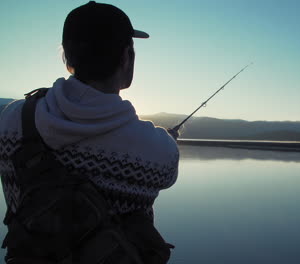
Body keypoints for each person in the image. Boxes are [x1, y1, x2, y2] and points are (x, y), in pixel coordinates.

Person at [0, 1, 179, 262]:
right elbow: (168, 173)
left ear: (67, 57)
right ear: (127, 57)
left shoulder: (11, 119)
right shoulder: (159, 149)